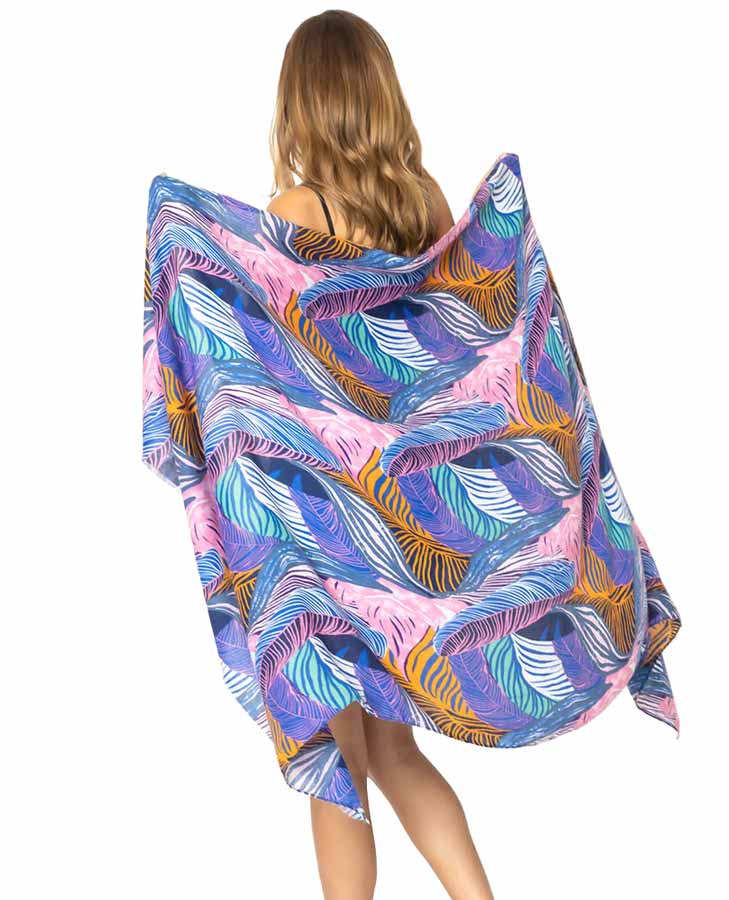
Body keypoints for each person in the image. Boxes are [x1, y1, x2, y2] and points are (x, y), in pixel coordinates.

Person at [266, 11, 496, 900]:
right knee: (394, 748)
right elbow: (456, 347)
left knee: (339, 757)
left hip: (329, 519)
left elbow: (264, 367)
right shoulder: (425, 203)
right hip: (410, 519)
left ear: (303, 103)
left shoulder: (296, 215)